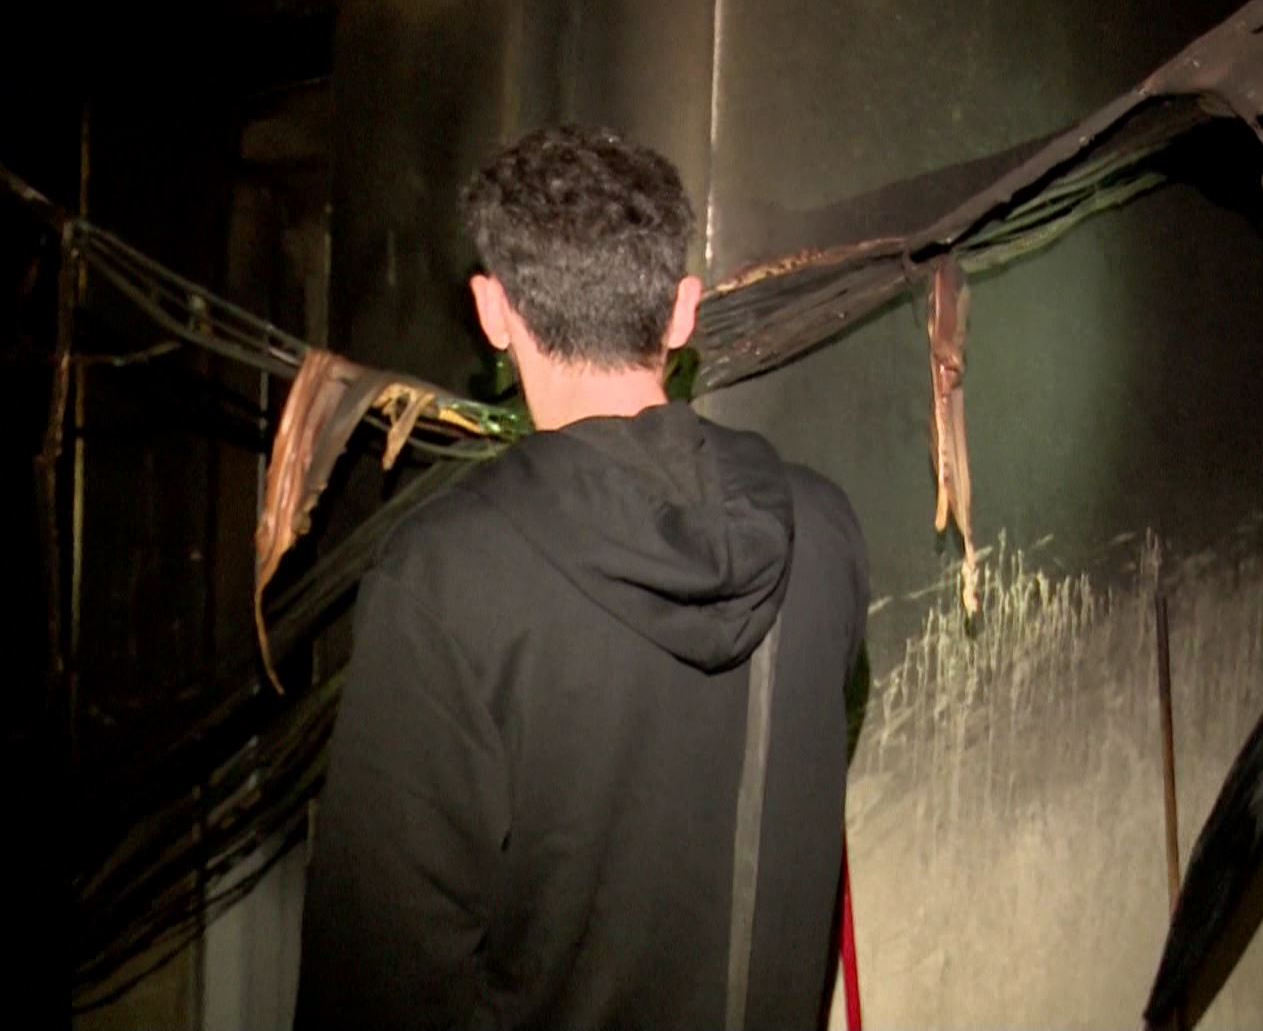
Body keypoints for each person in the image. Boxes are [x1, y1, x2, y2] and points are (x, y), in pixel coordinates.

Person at [295, 125, 869, 1029]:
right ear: (683, 312)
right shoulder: (823, 532)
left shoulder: (445, 576)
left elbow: (378, 971)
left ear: (493, 311)